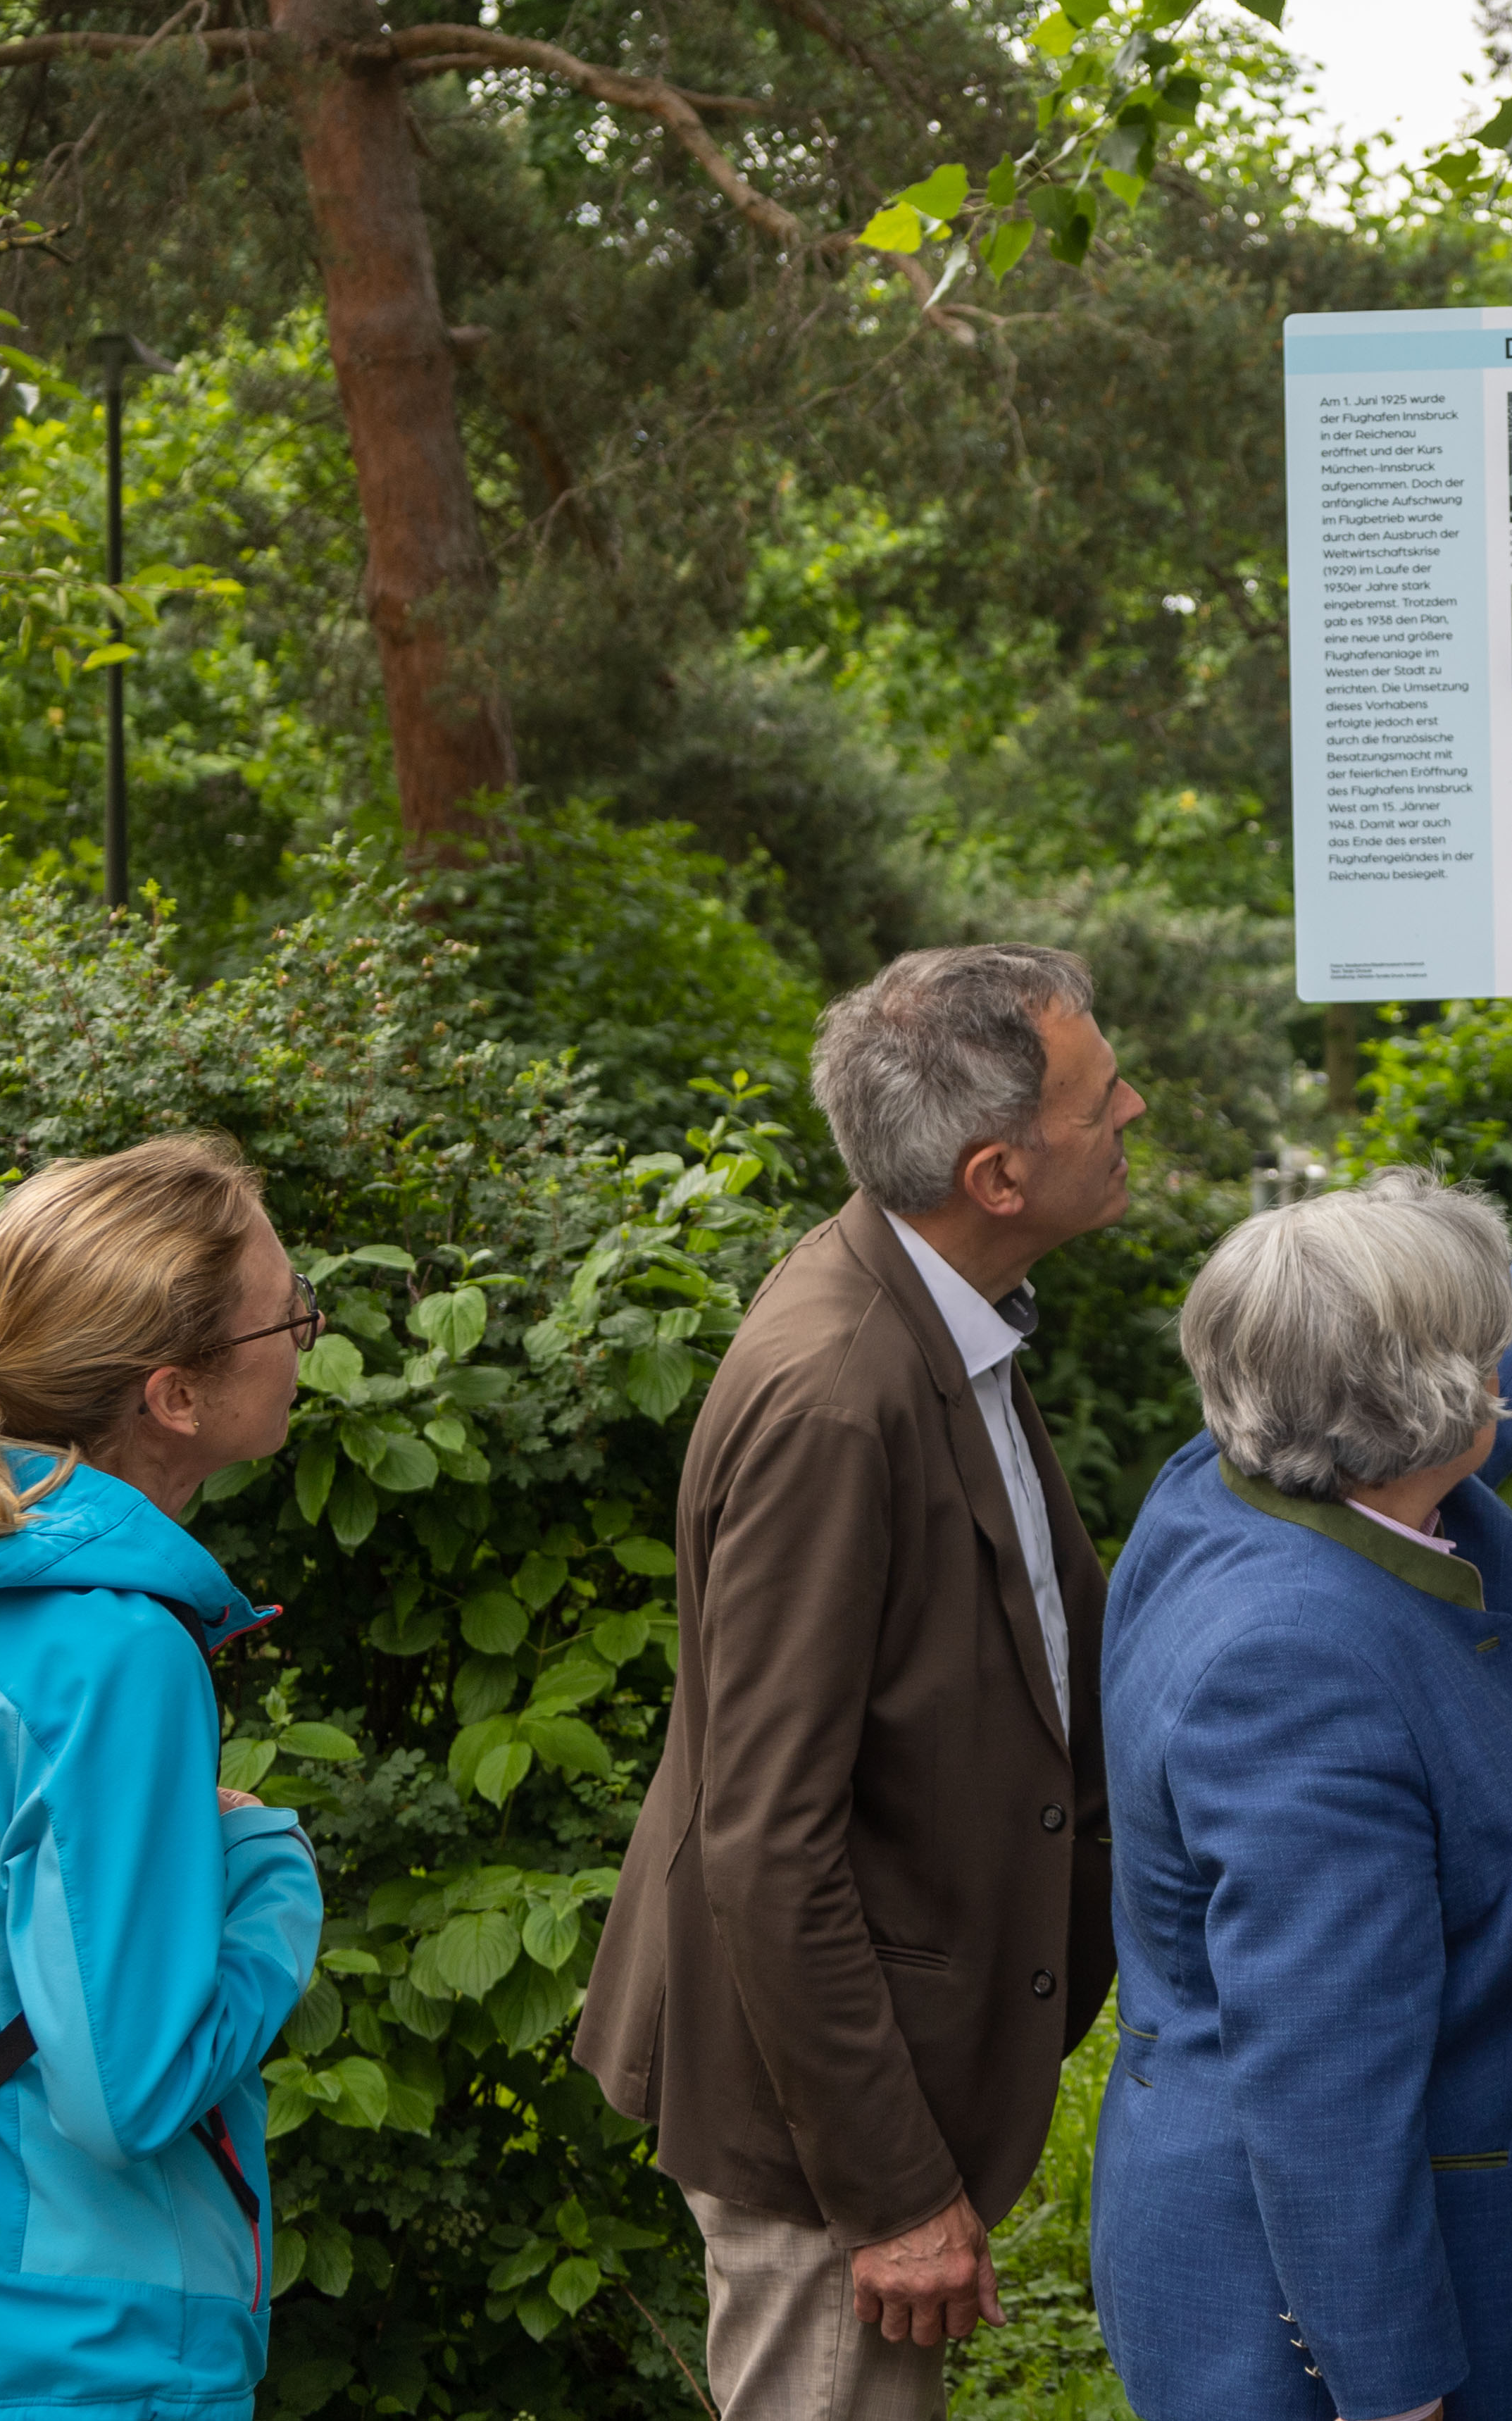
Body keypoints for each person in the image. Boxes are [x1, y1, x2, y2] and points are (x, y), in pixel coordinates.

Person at [1092, 1082, 1512, 2421]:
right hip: (1340, 2317)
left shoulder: (1241, 1469)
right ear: (1450, 1403)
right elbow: (1322, 2082)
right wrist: (1391, 2391)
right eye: (1484, 1350)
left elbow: (1486, 1363)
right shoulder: (1299, 1676)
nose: (1507, 1365)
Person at [578, 945, 1142, 2421]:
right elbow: (768, 1839)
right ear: (995, 1174)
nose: (1132, 1109)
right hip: (823, 2130)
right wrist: (891, 2190)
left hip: (878, 2071)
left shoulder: (934, 1312)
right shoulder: (840, 1396)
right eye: (1099, 1098)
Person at [0, 1133, 325, 2421]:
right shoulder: (116, 1652)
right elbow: (128, 2090)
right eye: (289, 1314)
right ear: (175, 1396)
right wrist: (269, 1877)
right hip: (77, 2354)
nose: (310, 1336)